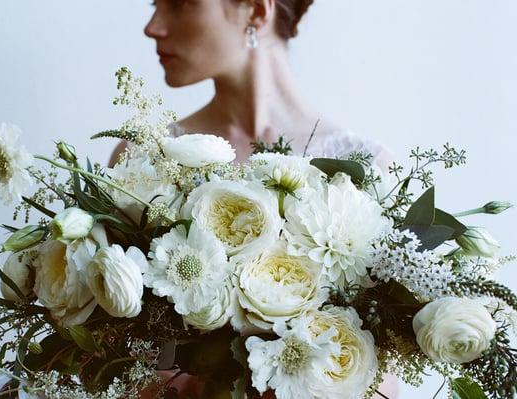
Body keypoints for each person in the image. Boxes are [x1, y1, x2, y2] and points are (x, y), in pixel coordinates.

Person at [113, 0, 399, 397]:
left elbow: (385, 369)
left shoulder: (366, 168)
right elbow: (113, 355)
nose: (152, 27)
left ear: (257, 11)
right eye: (154, 5)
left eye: (178, 4)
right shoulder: (145, 160)